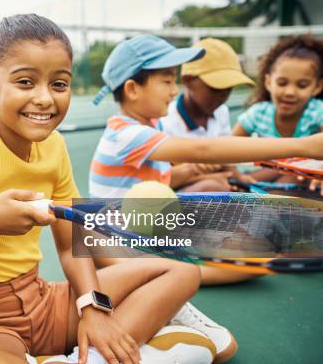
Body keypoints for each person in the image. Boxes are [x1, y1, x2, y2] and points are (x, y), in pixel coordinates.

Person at [0, 16, 215, 364]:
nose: (44, 98)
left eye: (59, 84)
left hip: (43, 302)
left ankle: (95, 355)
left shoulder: (54, 146)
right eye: (25, 82)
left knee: (181, 270)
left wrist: (93, 308)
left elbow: (72, 241)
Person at [89, 34, 323, 319]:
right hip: (120, 239)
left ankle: (165, 269)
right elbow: (204, 148)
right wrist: (304, 146)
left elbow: (178, 171)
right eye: (167, 81)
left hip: (148, 225)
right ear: (132, 89)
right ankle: (163, 272)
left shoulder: (149, 125)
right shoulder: (126, 133)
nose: (174, 91)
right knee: (257, 262)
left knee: (251, 249)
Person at [160, 38, 257, 193]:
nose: (223, 96)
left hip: (216, 185)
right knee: (212, 188)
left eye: (229, 89)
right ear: (188, 81)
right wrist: (206, 179)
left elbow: (224, 156)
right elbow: (161, 181)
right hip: (173, 197)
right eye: (215, 88)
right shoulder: (165, 123)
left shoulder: (221, 111)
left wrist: (238, 177)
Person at [233, 34, 323, 194]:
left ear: (317, 87)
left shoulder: (317, 112)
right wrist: (235, 174)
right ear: (269, 82)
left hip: (304, 181)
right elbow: (229, 146)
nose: (289, 92)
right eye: (282, 83)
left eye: (302, 85)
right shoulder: (259, 113)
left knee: (294, 176)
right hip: (265, 177)